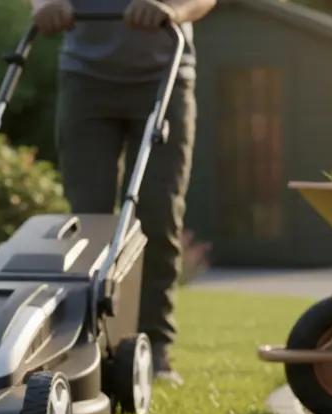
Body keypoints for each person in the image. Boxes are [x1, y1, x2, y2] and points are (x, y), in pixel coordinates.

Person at [30, 0, 218, 386]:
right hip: (85, 77)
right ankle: (82, 342)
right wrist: (45, 5)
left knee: (158, 212)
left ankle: (156, 345)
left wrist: (172, 11)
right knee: (87, 221)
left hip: (165, 76)